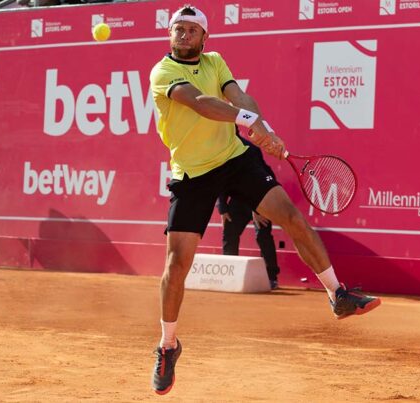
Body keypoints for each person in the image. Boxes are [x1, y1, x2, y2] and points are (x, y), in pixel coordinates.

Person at [149, 5, 381, 395]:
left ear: (205, 38)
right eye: (178, 29)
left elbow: (240, 97)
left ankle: (338, 294)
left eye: (192, 30)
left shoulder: (216, 61)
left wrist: (265, 130)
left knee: (290, 214)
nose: (184, 35)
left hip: (235, 160)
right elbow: (202, 105)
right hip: (191, 173)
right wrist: (247, 122)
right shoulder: (164, 72)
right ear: (171, 35)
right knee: (177, 262)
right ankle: (167, 345)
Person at [218, 127, 281, 290]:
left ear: (233, 132)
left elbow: (263, 176)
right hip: (238, 201)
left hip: (260, 198)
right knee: (229, 232)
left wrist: (258, 208)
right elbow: (220, 181)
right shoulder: (220, 151)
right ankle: (229, 275)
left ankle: (271, 277)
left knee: (263, 235)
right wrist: (223, 209)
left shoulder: (249, 149)